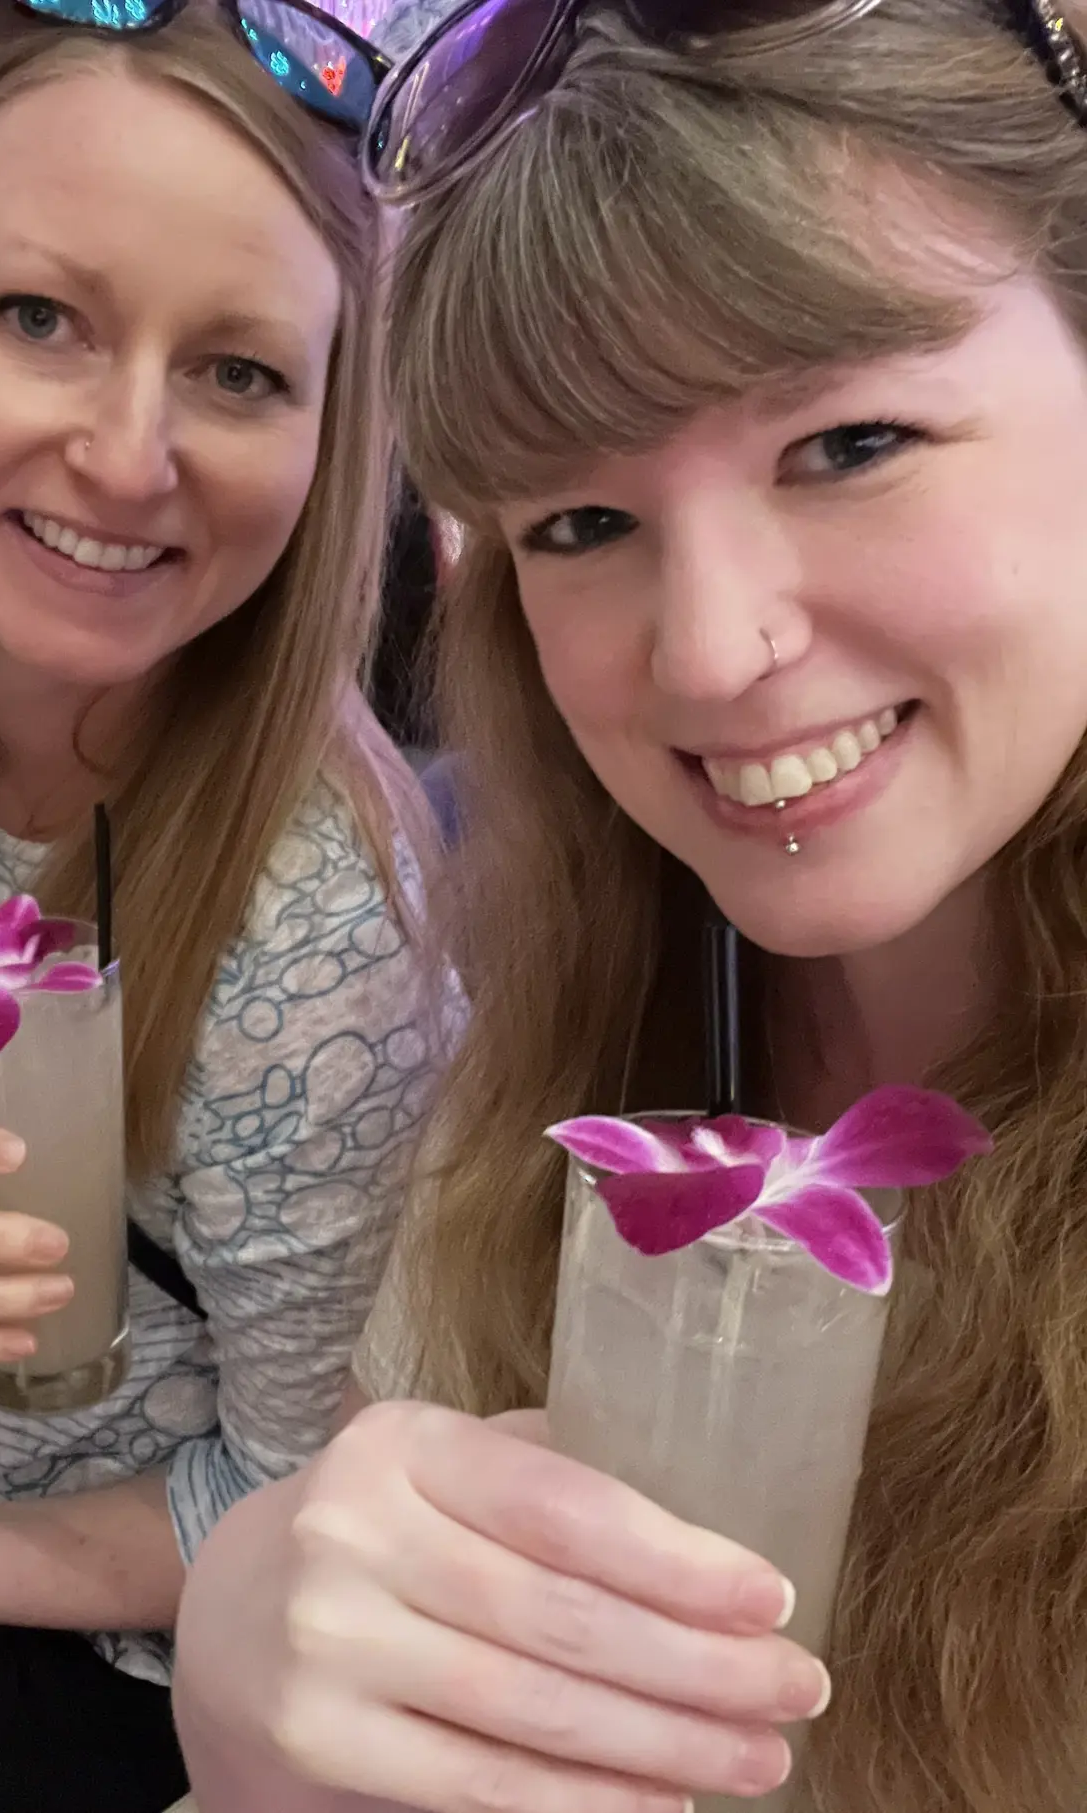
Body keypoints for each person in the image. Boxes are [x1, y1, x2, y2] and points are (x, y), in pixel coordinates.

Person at [166, 0, 1087, 1808]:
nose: (712, 652)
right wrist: (245, 1692)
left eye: (849, 444)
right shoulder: (543, 1086)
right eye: (582, 525)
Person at [0, 1, 440, 1809]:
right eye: (40, 317)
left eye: (241, 371)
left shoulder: (329, 937)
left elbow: (289, 1510)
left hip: (85, 1604)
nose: (132, 461)